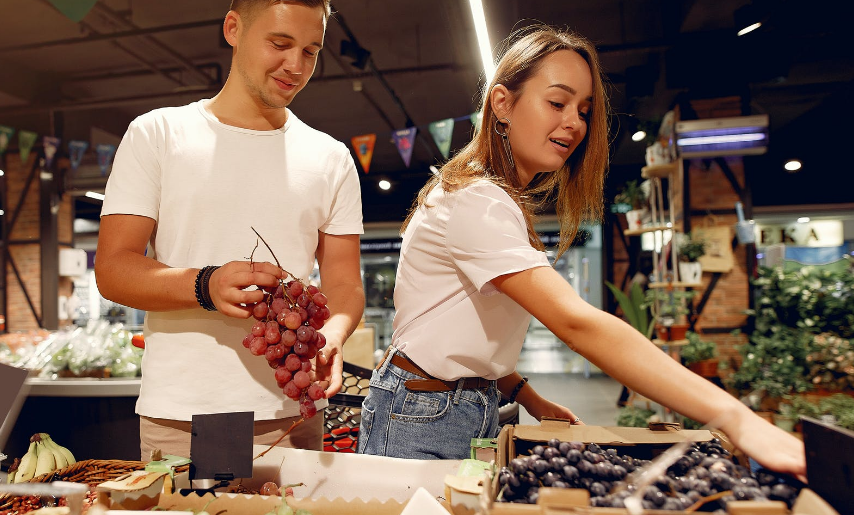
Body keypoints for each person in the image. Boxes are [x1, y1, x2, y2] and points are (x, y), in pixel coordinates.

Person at [356, 25, 805, 481]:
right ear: (503, 104)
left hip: (452, 405)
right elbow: (576, 323)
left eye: (584, 110)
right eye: (557, 102)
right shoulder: (477, 201)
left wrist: (528, 396)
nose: (574, 122)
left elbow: (458, 328)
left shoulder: (493, 199)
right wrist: (736, 418)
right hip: (422, 413)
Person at [95, 0, 365, 460]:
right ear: (233, 28)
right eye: (279, 44)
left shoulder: (331, 158)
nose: (295, 66)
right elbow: (113, 269)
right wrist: (205, 284)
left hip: (294, 409)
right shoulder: (158, 134)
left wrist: (333, 337)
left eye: (311, 51)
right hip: (189, 414)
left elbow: (343, 283)